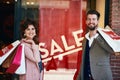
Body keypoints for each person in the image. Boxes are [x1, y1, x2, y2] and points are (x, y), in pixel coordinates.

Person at [77, 10, 114, 80]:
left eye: (94, 19)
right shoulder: (85, 40)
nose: (91, 22)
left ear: (97, 21)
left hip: (102, 76)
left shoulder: (105, 36)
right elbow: (84, 61)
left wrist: (96, 36)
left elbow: (112, 50)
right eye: (89, 19)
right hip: (86, 77)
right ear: (86, 21)